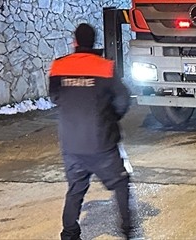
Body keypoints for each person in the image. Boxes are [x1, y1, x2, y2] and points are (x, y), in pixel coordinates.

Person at [48, 22, 135, 240]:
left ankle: (69, 233)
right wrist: (110, 118)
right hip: (101, 142)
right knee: (121, 183)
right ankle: (127, 231)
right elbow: (123, 99)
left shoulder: (58, 67)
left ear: (75, 41)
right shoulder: (105, 67)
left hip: (71, 142)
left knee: (75, 189)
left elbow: (56, 97)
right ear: (93, 41)